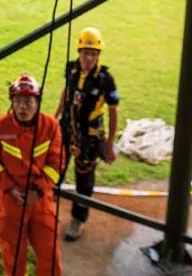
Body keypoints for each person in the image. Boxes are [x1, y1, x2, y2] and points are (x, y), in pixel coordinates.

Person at [0, 73, 64, 276]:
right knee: (13, 256)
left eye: (28, 101)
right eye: (18, 101)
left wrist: (38, 190)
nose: (23, 107)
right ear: (12, 102)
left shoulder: (50, 127)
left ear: (37, 102)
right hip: (11, 200)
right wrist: (10, 188)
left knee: (50, 255)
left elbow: (56, 164)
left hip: (41, 201)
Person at [55, 26, 119, 242]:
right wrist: (55, 118)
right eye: (86, 53)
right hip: (67, 127)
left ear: (98, 55)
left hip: (89, 137)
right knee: (56, 168)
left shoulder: (104, 79)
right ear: (79, 52)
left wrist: (109, 144)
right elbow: (67, 91)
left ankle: (77, 219)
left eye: (93, 54)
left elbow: (113, 110)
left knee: (84, 179)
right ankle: (48, 207)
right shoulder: (71, 68)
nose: (89, 58)